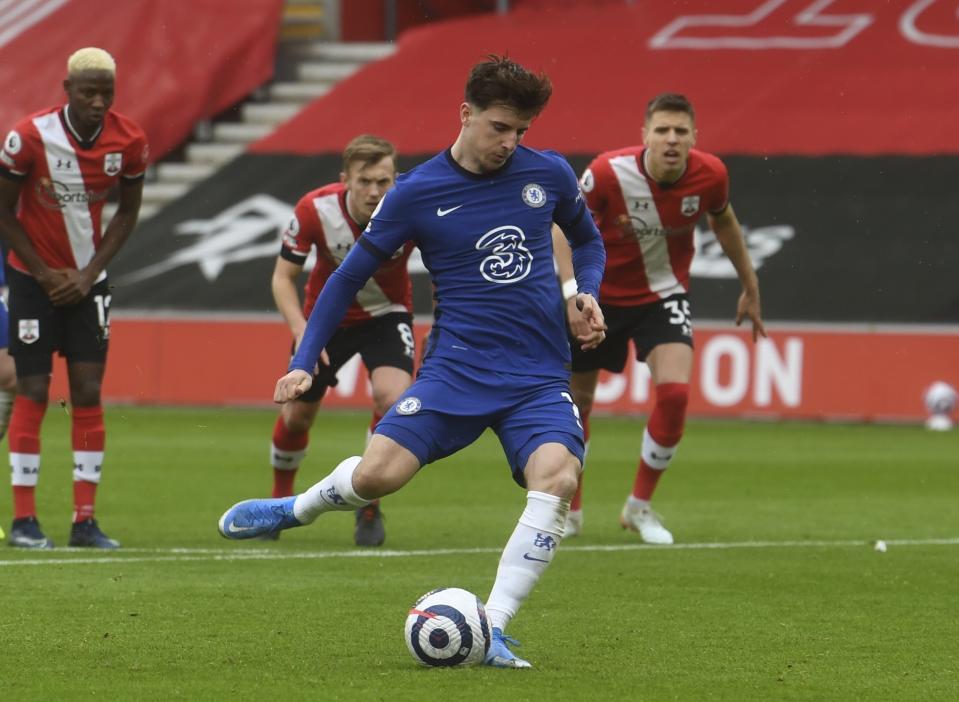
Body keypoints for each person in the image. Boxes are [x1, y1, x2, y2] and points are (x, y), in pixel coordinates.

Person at [218, 55, 607, 668]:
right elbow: (346, 279)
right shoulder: (417, 192)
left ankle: (493, 627)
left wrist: (585, 291)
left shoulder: (550, 174)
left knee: (557, 478)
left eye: (520, 132)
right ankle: (294, 509)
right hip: (456, 371)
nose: (510, 142)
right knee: (378, 476)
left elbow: (587, 239)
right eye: (500, 127)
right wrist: (303, 356)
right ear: (466, 114)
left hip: (536, 376)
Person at [552, 92, 766, 543]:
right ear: (645, 134)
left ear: (693, 137)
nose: (671, 139)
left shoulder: (711, 174)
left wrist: (750, 283)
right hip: (600, 297)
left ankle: (639, 507)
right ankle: (568, 511)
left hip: (663, 296)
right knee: (578, 404)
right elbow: (562, 228)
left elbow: (723, 221)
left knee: (674, 396)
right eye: (663, 130)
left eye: (680, 131)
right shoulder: (608, 173)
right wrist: (575, 293)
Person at [0, 47, 147, 549]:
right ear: (67, 89)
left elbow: (127, 213)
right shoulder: (28, 137)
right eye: (89, 90)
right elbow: (3, 212)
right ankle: (24, 521)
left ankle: (84, 521)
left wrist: (89, 275)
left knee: (86, 391)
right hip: (31, 279)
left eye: (107, 91)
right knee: (33, 389)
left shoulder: (129, 141)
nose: (98, 101)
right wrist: (42, 273)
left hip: (89, 283)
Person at [268, 134, 413, 547]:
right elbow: (282, 277)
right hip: (324, 320)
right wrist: (301, 330)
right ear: (345, 179)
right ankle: (279, 502)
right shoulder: (315, 209)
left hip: (387, 314)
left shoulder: (411, 206)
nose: (373, 191)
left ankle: (369, 503)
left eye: (383, 181)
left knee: (392, 399)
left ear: (394, 179)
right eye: (364, 181)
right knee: (297, 418)